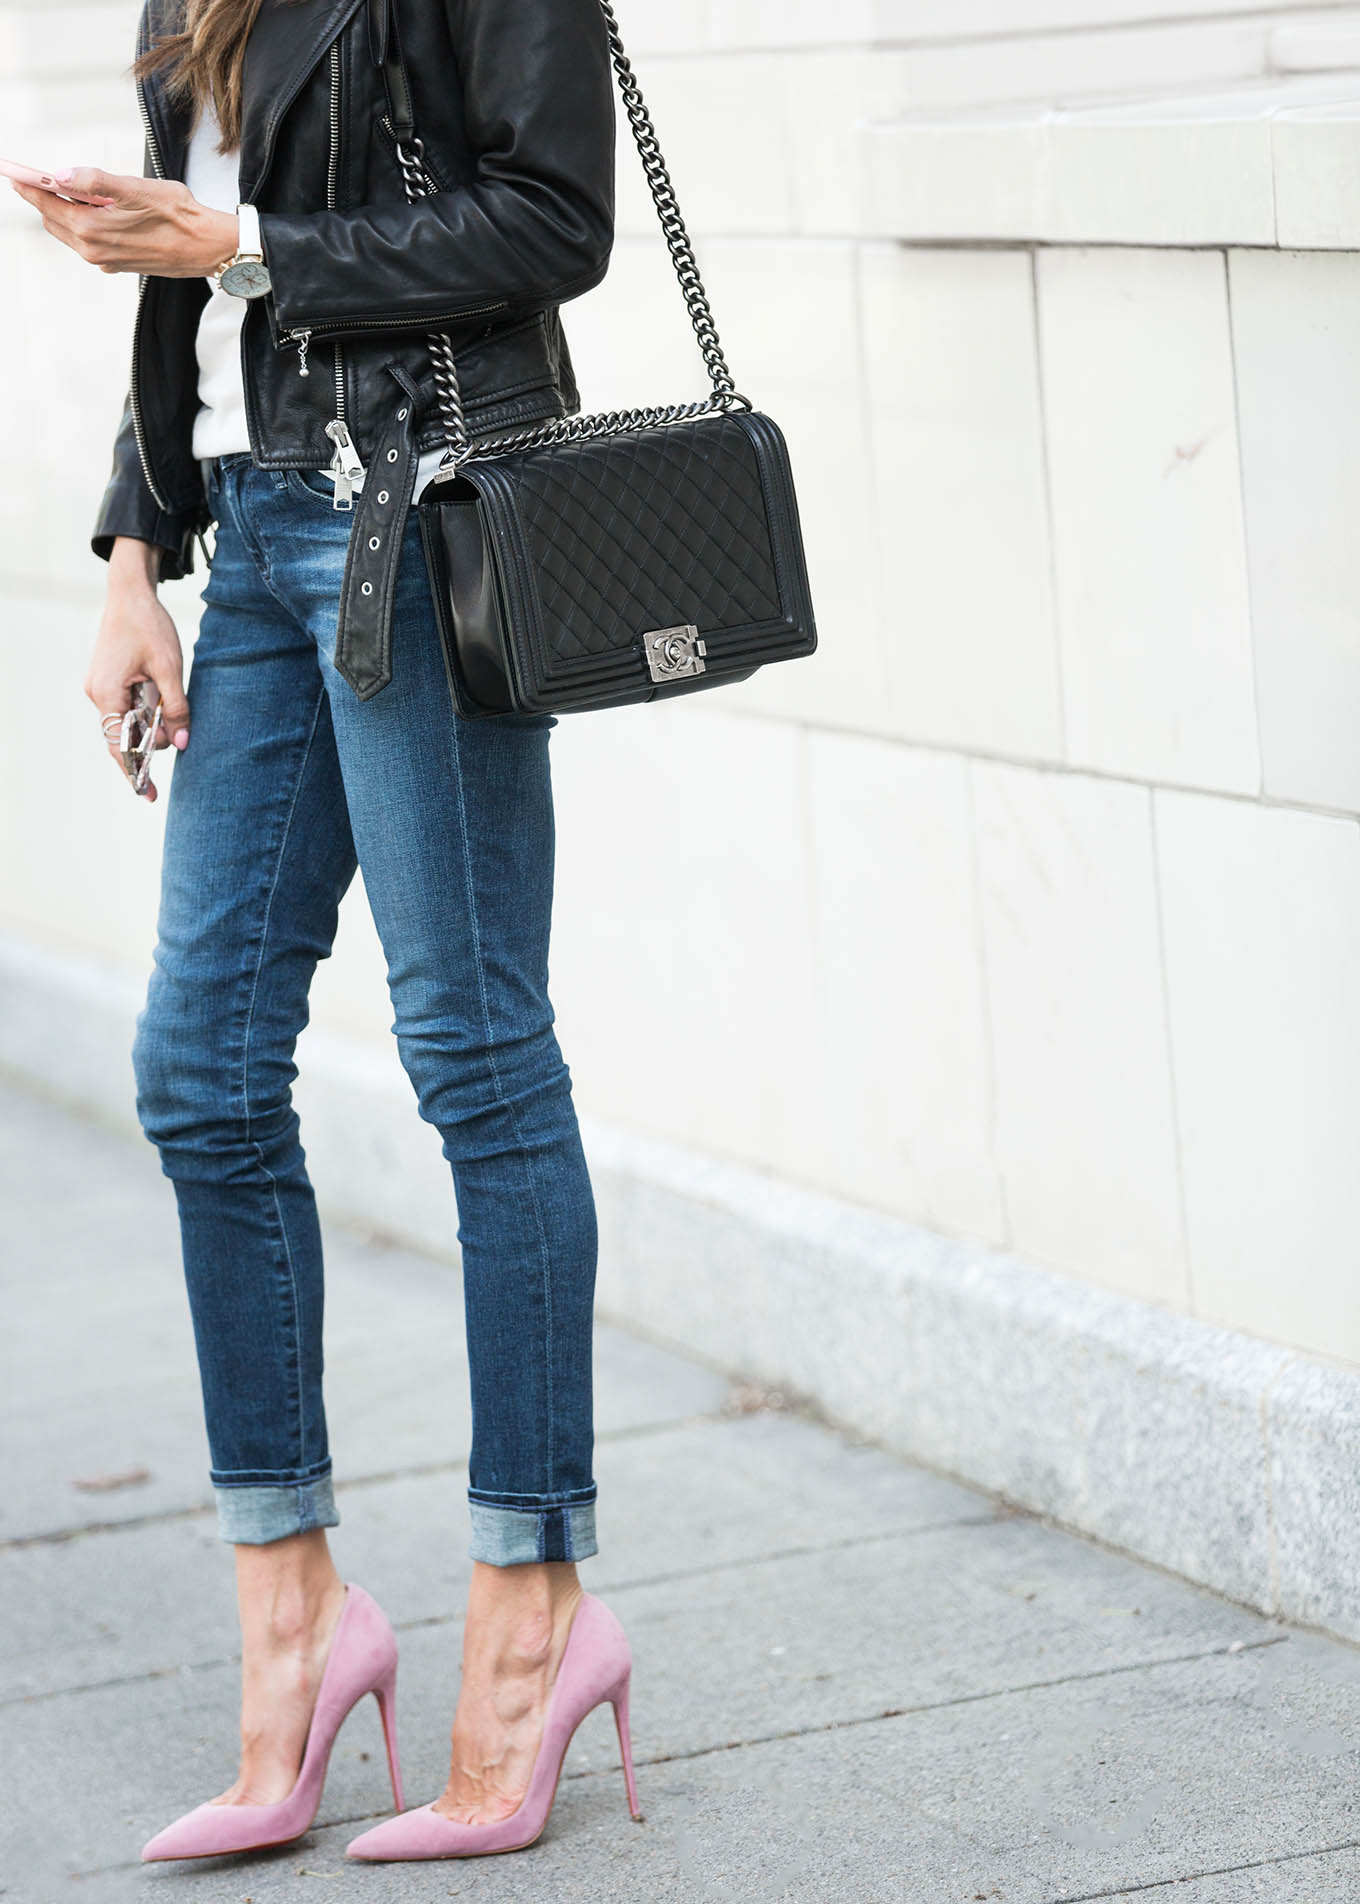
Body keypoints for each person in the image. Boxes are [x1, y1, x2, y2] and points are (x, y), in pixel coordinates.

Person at [11, 0, 642, 1865]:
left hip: (415, 525)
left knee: (475, 1054)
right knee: (199, 1073)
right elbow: (181, 290)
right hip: (252, 537)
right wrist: (136, 559)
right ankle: (296, 1618)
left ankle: (536, 1610)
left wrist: (248, 242)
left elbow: (557, 219)